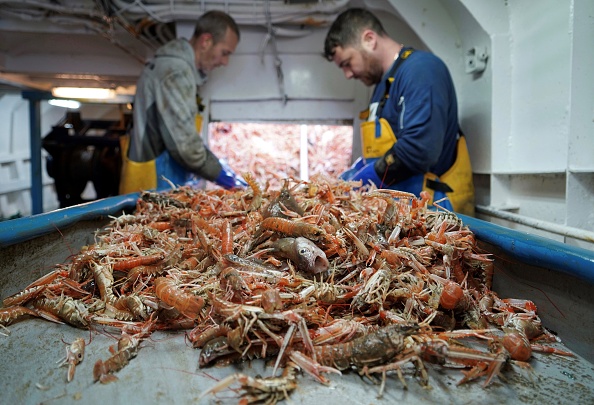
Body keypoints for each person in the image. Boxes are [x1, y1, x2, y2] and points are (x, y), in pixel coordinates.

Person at [324, 8, 474, 215]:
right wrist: (355, 171)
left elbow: (418, 150)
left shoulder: (421, 70)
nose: (348, 74)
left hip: (434, 210)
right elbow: (384, 149)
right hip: (399, 211)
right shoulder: (382, 87)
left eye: (347, 63)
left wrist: (367, 176)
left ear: (369, 39)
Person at [119, 10, 247, 194]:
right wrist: (224, 177)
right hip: (151, 184)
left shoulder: (180, 70)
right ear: (206, 41)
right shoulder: (175, 73)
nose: (225, 62)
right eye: (224, 53)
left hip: (161, 180)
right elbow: (186, 148)